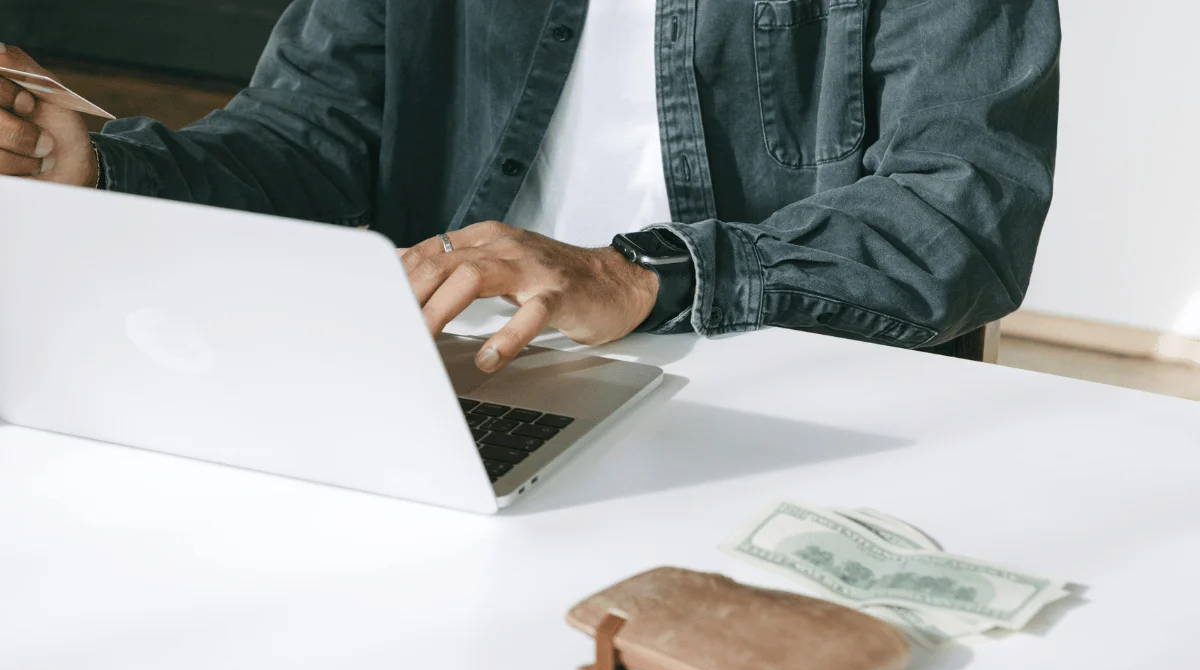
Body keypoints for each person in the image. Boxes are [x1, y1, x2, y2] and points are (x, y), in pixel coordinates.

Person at [0, 0, 1060, 373]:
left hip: (781, 381)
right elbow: (308, 139)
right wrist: (99, 163)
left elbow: (959, 210)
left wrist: (632, 274)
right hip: (475, 374)